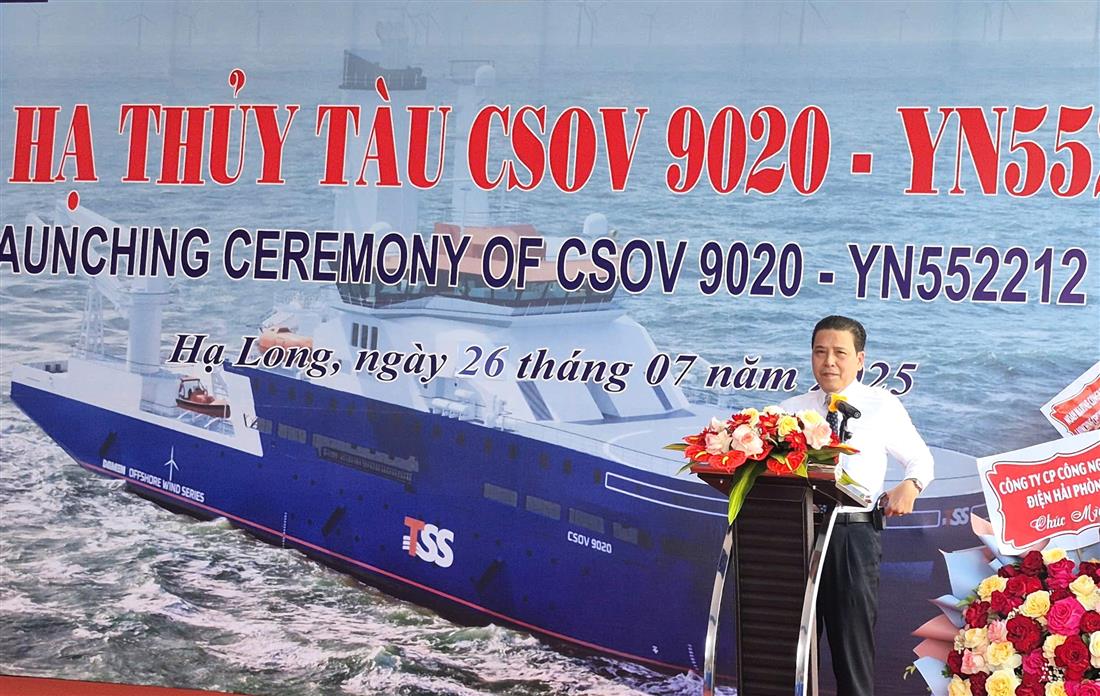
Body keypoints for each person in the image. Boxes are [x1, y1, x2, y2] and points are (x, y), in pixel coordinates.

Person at [780, 315, 934, 696]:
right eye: (820, 352)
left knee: (851, 653)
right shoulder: (791, 410)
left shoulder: (882, 406)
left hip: (852, 537)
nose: (829, 362)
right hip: (797, 534)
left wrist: (911, 485)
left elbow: (921, 460)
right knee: (791, 652)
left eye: (839, 353)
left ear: (860, 359)